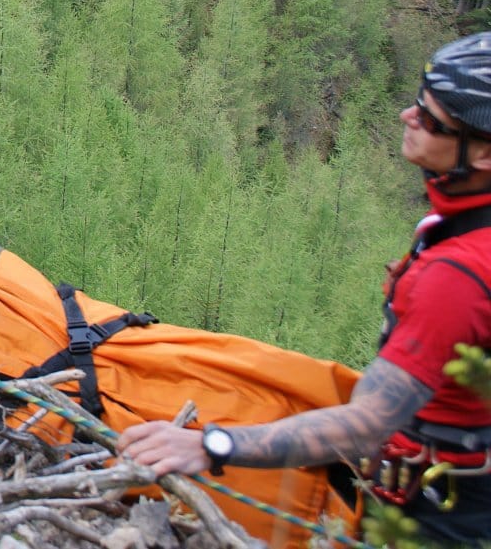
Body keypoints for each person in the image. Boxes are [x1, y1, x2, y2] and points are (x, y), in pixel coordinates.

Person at [119, 32, 491, 545]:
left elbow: (368, 424)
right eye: (417, 102)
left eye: (430, 119)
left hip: (434, 522)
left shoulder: (458, 276)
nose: (407, 115)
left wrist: (211, 445)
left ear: (484, 154)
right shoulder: (466, 227)